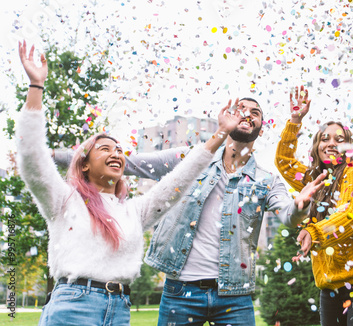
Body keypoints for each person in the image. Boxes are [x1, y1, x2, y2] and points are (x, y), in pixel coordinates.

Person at [16, 40, 241, 326]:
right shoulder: (63, 199)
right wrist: (36, 87)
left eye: (120, 151)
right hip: (73, 307)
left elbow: (178, 181)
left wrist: (221, 132)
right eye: (105, 149)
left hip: (120, 309)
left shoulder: (134, 211)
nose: (116, 154)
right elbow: (31, 157)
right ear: (83, 163)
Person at [55, 96, 326, 324]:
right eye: (241, 109)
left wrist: (301, 206)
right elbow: (130, 163)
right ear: (228, 118)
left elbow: (288, 215)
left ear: (260, 128)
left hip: (235, 294)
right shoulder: (188, 159)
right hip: (180, 290)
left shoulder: (267, 180)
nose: (247, 114)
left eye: (255, 112)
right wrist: (53, 157)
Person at [275, 86, 353, 326]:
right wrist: (295, 120)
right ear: (317, 145)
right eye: (324, 138)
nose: (330, 143)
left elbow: (348, 215)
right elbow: (284, 162)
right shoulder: (317, 180)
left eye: (339, 139)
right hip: (329, 286)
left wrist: (313, 231)